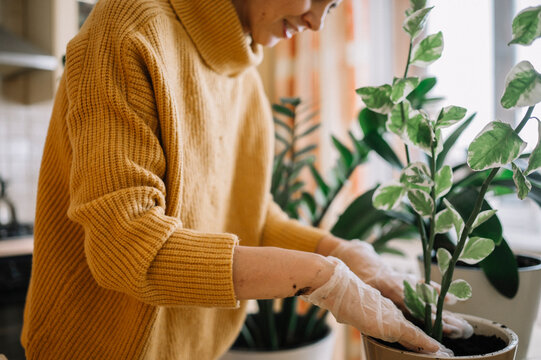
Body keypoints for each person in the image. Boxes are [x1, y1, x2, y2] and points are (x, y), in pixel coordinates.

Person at [21, 0, 471, 358]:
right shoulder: (125, 30)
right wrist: (321, 276)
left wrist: (345, 254)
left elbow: (249, 215)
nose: (316, 20)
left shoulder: (246, 80)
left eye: (333, 7)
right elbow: (126, 247)